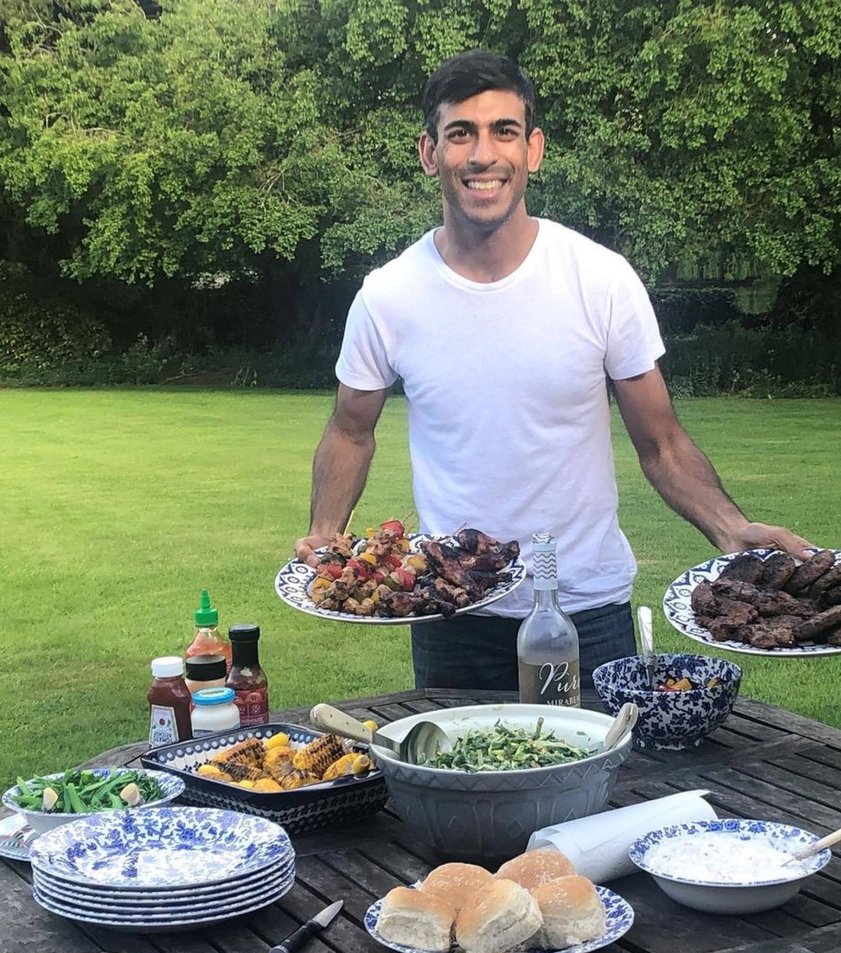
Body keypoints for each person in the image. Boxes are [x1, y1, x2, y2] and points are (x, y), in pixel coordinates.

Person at [295, 49, 813, 690]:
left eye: (503, 132)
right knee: (463, 789)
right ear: (430, 152)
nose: (483, 155)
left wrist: (731, 526)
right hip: (452, 615)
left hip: (588, 609)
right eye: (461, 133)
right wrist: (325, 536)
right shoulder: (388, 296)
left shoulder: (599, 279)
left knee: (604, 790)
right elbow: (350, 430)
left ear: (532, 150)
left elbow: (662, 442)